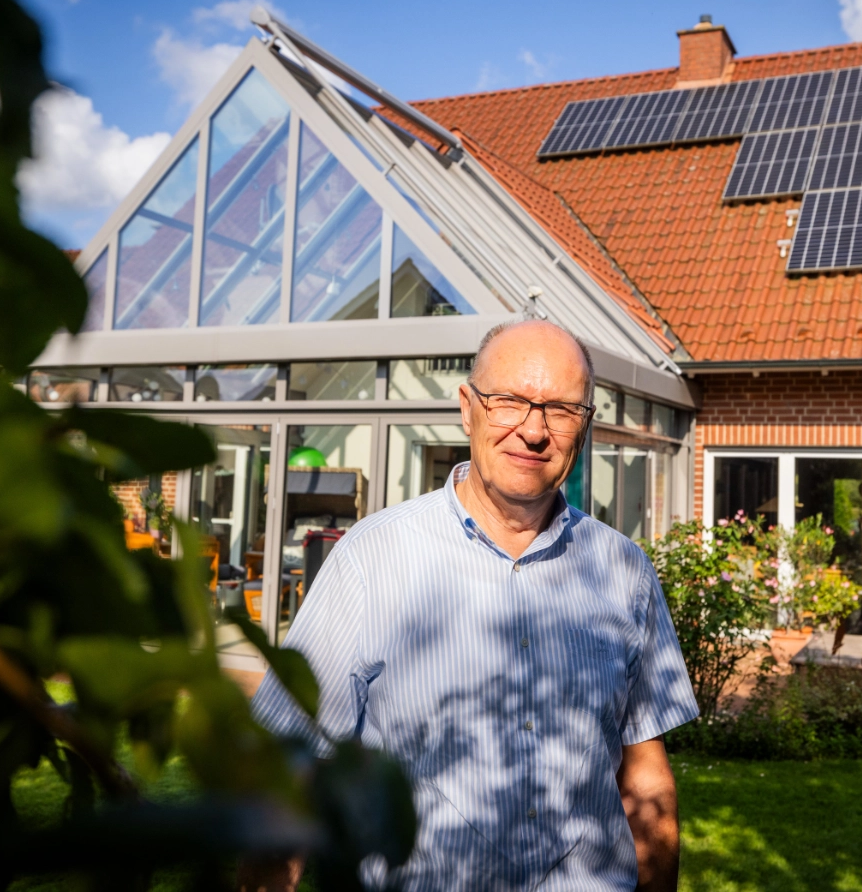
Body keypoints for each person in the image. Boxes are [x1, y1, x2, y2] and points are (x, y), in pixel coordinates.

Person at [247, 319, 697, 891]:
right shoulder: (371, 559)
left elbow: (646, 777)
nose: (533, 431)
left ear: (584, 428)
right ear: (468, 408)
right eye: (509, 401)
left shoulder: (624, 571)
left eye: (560, 410)